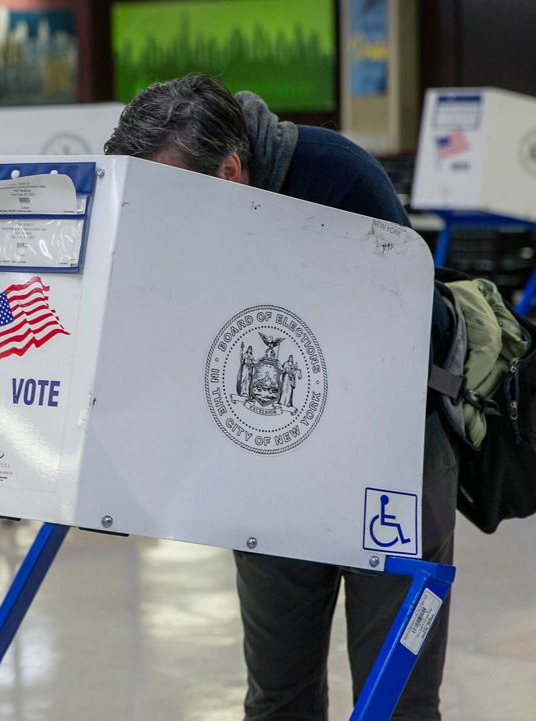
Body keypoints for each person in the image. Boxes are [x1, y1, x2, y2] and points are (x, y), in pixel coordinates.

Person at [105, 74, 458, 721]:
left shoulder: (336, 178)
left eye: (169, 198)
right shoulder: (180, 218)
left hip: (392, 466)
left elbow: (427, 332)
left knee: (398, 701)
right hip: (271, 474)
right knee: (278, 698)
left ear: (233, 172)